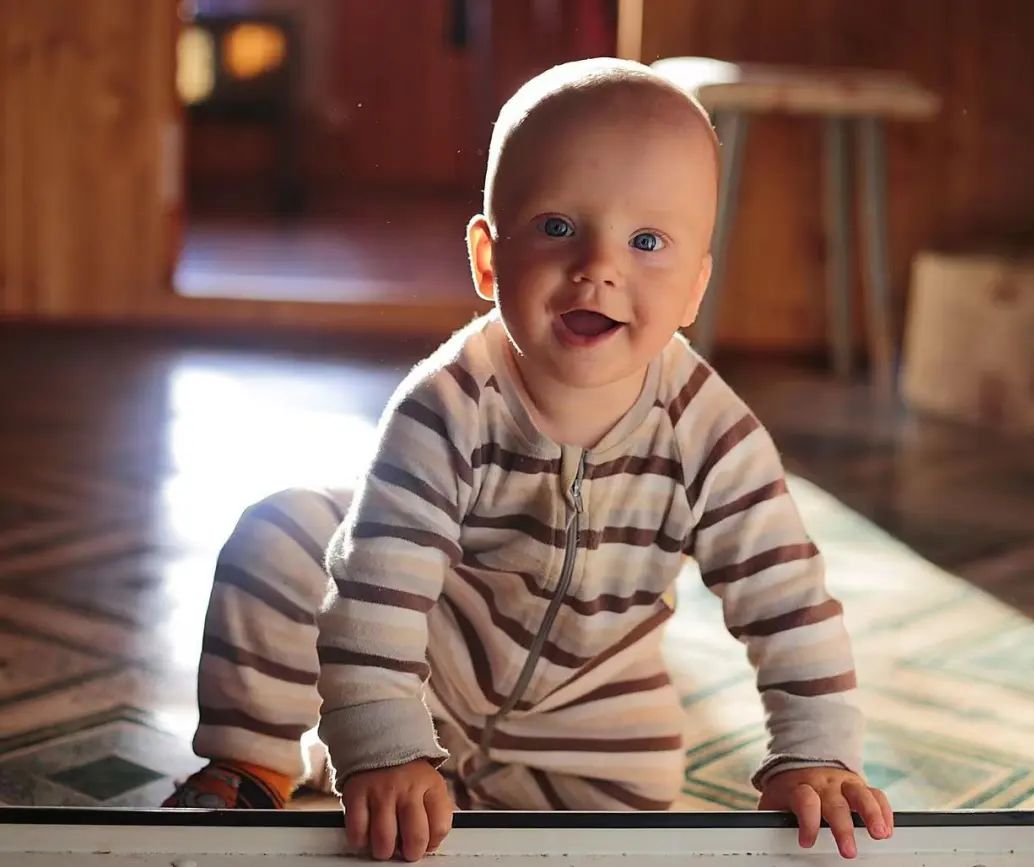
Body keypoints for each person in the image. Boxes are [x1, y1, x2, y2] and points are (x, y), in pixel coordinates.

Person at [164, 57, 894, 862]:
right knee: (286, 530)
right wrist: (384, 742)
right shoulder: (447, 403)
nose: (598, 267)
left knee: (641, 794)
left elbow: (789, 604)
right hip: (429, 666)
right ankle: (258, 761)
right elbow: (381, 581)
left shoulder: (711, 432)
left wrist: (815, 753)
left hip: (589, 712)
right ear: (487, 258)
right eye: (557, 227)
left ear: (694, 289)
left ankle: (443, 784)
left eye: (647, 241)